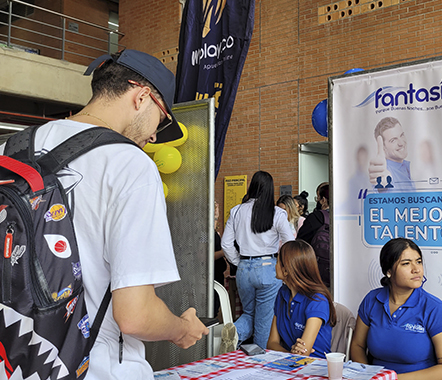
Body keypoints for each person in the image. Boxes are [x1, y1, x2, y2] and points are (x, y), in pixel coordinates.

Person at [0, 49, 209, 379]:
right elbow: (135, 315)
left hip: (15, 361)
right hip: (96, 368)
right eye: (162, 119)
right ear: (141, 97)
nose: (155, 135)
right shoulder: (130, 164)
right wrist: (181, 329)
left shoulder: (10, 149)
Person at [350, 238, 442, 379]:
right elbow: (357, 346)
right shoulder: (372, 300)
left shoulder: (435, 309)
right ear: (388, 271)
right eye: (406, 264)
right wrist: (369, 375)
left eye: (418, 262)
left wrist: (392, 379)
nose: (416, 269)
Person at [221, 171, 295, 349]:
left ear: (251, 186)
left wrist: (239, 262)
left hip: (244, 269)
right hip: (268, 269)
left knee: (249, 313)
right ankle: (259, 363)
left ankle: (235, 334)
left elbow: (225, 244)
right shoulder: (277, 213)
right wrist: (282, 265)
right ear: (270, 189)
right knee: (264, 320)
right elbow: (290, 242)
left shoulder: (236, 211)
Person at [267, 240, 336, 359]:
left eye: (278, 261)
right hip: (289, 363)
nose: (275, 265)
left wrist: (295, 354)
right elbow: (271, 343)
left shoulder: (317, 300)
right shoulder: (282, 293)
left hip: (316, 368)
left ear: (287, 269)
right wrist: (291, 354)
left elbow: (304, 352)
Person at [367, 117, 415, 191]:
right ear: (383, 147)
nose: (401, 143)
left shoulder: (405, 166)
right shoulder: (385, 171)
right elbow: (381, 186)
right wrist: (381, 184)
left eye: (402, 135)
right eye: (393, 140)